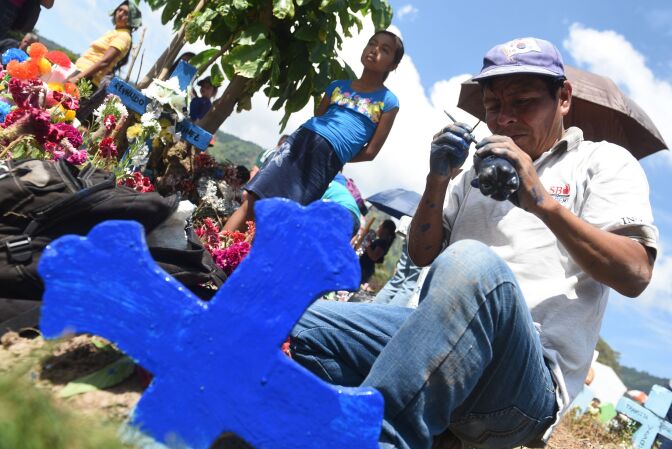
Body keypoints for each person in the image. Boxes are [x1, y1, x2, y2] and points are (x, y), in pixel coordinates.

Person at [289, 37, 658, 449]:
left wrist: (543, 203)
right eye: (494, 106)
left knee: (471, 262)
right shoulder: (474, 175)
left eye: (523, 102)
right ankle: (389, 420)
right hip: (427, 342)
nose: (505, 119)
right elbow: (421, 254)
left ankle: (375, 438)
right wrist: (438, 179)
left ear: (564, 98)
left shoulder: (603, 162)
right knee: (300, 323)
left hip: (523, 382)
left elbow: (635, 273)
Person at [224, 30, 404, 232]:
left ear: (392, 65)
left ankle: (244, 260)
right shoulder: (337, 86)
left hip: (326, 161)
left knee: (284, 218)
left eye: (384, 49)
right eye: (372, 43)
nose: (374, 50)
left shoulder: (389, 101)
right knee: (253, 199)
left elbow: (370, 152)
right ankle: (216, 254)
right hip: (300, 141)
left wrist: (336, 155)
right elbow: (318, 118)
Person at [67, 1, 141, 122]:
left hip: (86, 78)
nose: (120, 13)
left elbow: (105, 61)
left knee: (60, 113)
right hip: (83, 74)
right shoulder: (116, 32)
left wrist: (79, 77)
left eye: (126, 13)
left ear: (132, 19)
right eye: (119, 10)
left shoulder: (123, 36)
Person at [372, 215, 424, 307]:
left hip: (414, 225)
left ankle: (373, 310)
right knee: (411, 283)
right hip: (431, 232)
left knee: (398, 279)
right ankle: (387, 318)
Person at [359, 219, 396, 286]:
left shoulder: (382, 243)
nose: (378, 229)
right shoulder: (382, 242)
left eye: (380, 227)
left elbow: (374, 257)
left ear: (385, 230)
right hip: (364, 268)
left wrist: (367, 244)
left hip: (364, 269)